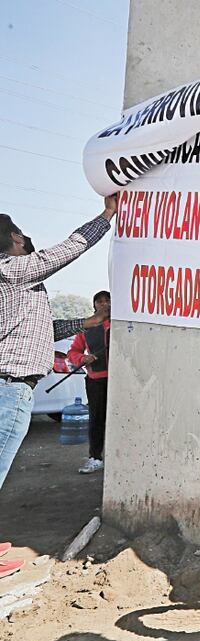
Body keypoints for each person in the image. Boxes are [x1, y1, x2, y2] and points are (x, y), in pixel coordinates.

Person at [0, 196, 116, 579]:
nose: (25, 237)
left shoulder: (16, 285)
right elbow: (68, 249)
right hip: (11, 386)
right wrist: (106, 216)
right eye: (19, 233)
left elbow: (44, 330)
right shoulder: (11, 269)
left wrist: (89, 320)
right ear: (12, 239)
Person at [66, 290, 111, 474]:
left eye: (108, 300)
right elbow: (73, 352)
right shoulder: (88, 327)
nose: (104, 304)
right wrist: (83, 359)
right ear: (94, 306)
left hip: (122, 381)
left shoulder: (123, 323)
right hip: (96, 381)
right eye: (99, 301)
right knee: (97, 420)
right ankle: (95, 457)